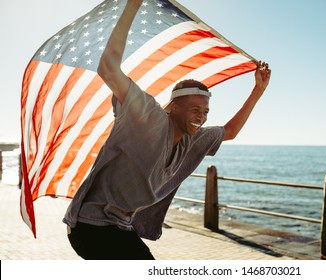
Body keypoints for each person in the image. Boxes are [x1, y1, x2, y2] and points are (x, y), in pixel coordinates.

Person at [63, 0, 271, 260]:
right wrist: (132, 6)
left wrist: (257, 91)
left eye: (205, 111)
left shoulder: (193, 139)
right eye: (195, 109)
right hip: (90, 225)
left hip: (122, 227)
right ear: (173, 107)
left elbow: (230, 131)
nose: (202, 116)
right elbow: (108, 68)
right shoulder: (147, 116)